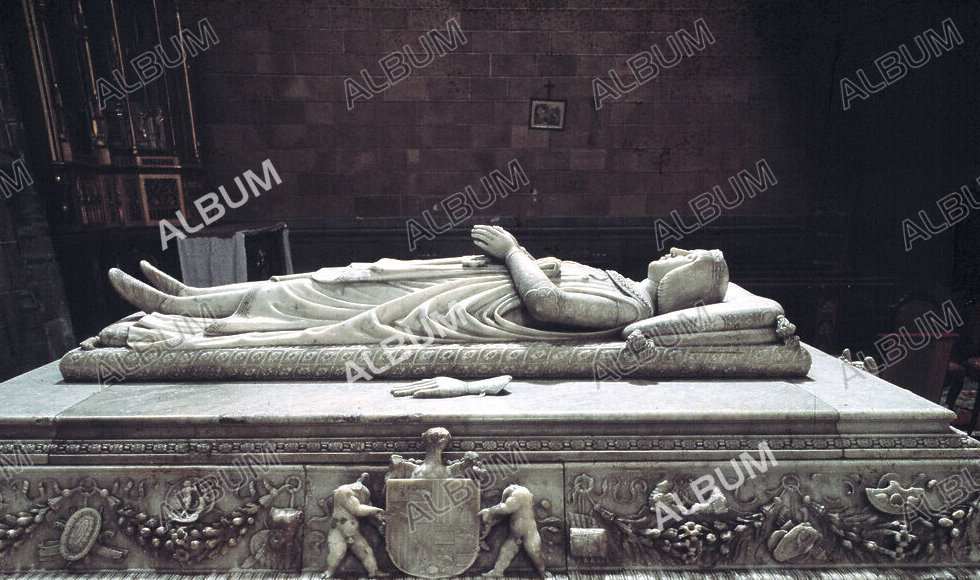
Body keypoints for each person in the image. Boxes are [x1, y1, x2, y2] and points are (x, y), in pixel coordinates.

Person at [86, 226, 736, 349]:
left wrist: (515, 252)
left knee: (324, 303)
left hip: (464, 308)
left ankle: (187, 315)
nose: (675, 249)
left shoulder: (630, 306)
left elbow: (549, 304)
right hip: (461, 281)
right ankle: (193, 300)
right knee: (340, 278)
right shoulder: (626, 283)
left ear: (682, 283)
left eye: (687, 255)